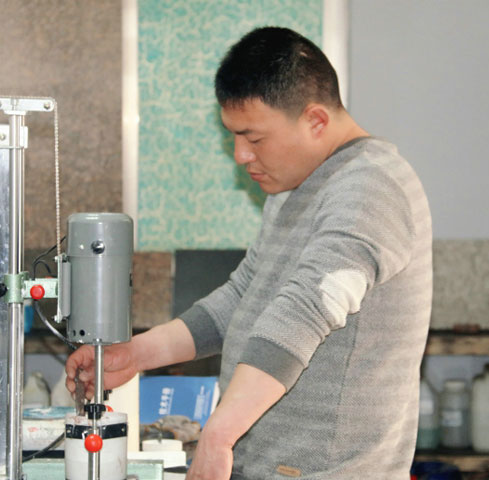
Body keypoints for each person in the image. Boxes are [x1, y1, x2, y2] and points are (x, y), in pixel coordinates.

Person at [66, 26, 432, 479]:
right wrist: (137, 354)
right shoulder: (293, 186)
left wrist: (219, 434)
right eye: (234, 137)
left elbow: (307, 309)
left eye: (254, 138)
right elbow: (243, 297)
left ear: (316, 121)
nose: (241, 155)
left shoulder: (371, 188)